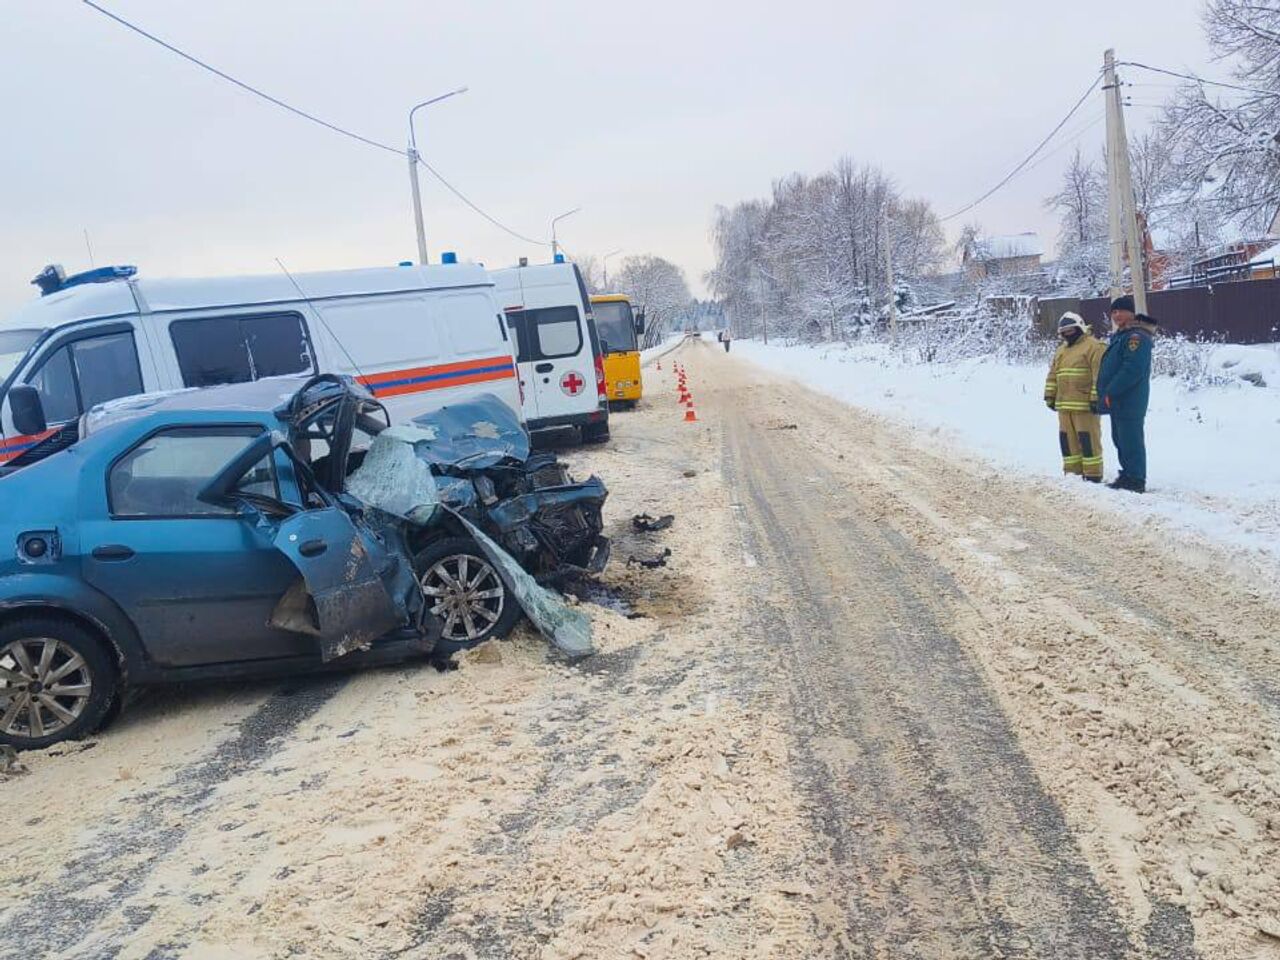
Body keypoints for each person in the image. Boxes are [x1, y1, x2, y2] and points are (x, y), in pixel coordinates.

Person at [1096, 295, 1157, 493]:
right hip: (1118, 400)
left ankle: (1136, 478)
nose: (1117, 315)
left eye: (1121, 311)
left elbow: (1132, 369)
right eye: (1114, 312)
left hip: (1129, 399)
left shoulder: (1136, 337)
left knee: (1131, 440)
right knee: (1120, 438)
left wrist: (1111, 390)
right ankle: (1127, 474)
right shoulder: (1122, 335)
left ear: (1131, 313)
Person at [1043, 312, 1106, 481]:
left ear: (1080, 328)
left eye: (1071, 330)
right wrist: (1049, 395)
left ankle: (1093, 474)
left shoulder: (1094, 347)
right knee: (1067, 442)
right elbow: (1053, 375)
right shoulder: (1061, 350)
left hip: (1085, 407)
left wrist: (1095, 399)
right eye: (1064, 332)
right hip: (1064, 407)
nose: (1067, 334)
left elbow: (1099, 376)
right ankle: (1072, 474)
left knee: (1088, 441)